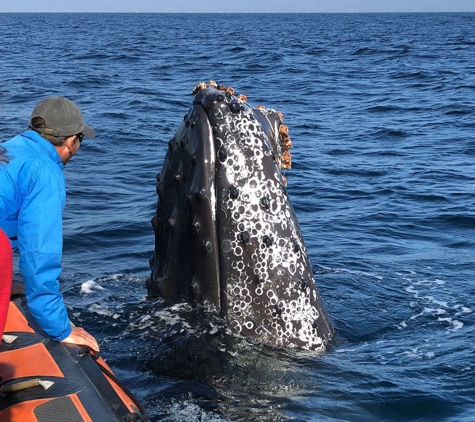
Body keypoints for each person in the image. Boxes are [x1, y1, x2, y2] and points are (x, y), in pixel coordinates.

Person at [0, 97, 99, 351]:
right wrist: (60, 328)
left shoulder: (11, 147)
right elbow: (39, 253)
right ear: (70, 142)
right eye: (80, 139)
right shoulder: (44, 172)